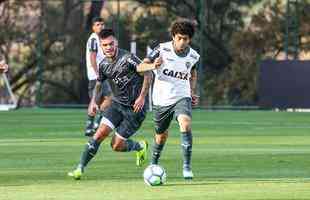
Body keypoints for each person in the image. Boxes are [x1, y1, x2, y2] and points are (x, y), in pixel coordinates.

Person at [68, 28, 154, 180]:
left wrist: (142, 96)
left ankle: (140, 146)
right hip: (117, 105)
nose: (108, 47)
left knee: (116, 146)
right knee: (98, 135)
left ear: (116, 43)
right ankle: (79, 168)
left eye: (111, 44)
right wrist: (94, 101)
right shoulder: (103, 65)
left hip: (135, 110)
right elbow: (99, 83)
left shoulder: (127, 57)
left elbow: (145, 72)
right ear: (101, 46)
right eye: (105, 45)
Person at [138, 19, 200, 179]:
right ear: (173, 36)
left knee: (185, 124)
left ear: (189, 39)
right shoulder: (161, 49)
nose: (181, 42)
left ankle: (187, 167)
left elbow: (193, 73)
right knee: (161, 136)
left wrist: (192, 92)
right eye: (179, 38)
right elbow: (140, 67)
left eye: (185, 39)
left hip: (182, 96)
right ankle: (154, 162)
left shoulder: (193, 56)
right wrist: (153, 66)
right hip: (161, 100)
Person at [85, 17, 112, 137]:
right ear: (93, 27)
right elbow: (92, 57)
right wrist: (97, 74)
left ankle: (93, 125)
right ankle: (92, 125)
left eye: (102, 24)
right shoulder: (93, 39)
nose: (101, 26)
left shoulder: (101, 39)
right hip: (96, 76)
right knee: (98, 100)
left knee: (104, 99)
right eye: (98, 24)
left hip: (102, 75)